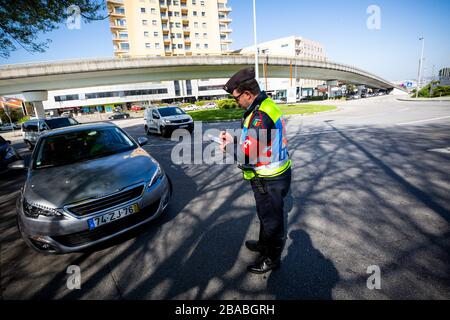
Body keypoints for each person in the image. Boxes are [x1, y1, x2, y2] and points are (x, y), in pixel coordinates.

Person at [219, 67, 292, 274]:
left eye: (236, 98)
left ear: (247, 94)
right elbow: (256, 141)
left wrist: (229, 148)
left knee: (272, 220)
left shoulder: (261, 115)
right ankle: (263, 244)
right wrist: (234, 139)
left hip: (271, 178)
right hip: (270, 175)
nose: (236, 102)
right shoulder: (262, 107)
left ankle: (271, 258)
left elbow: (248, 155)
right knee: (265, 215)